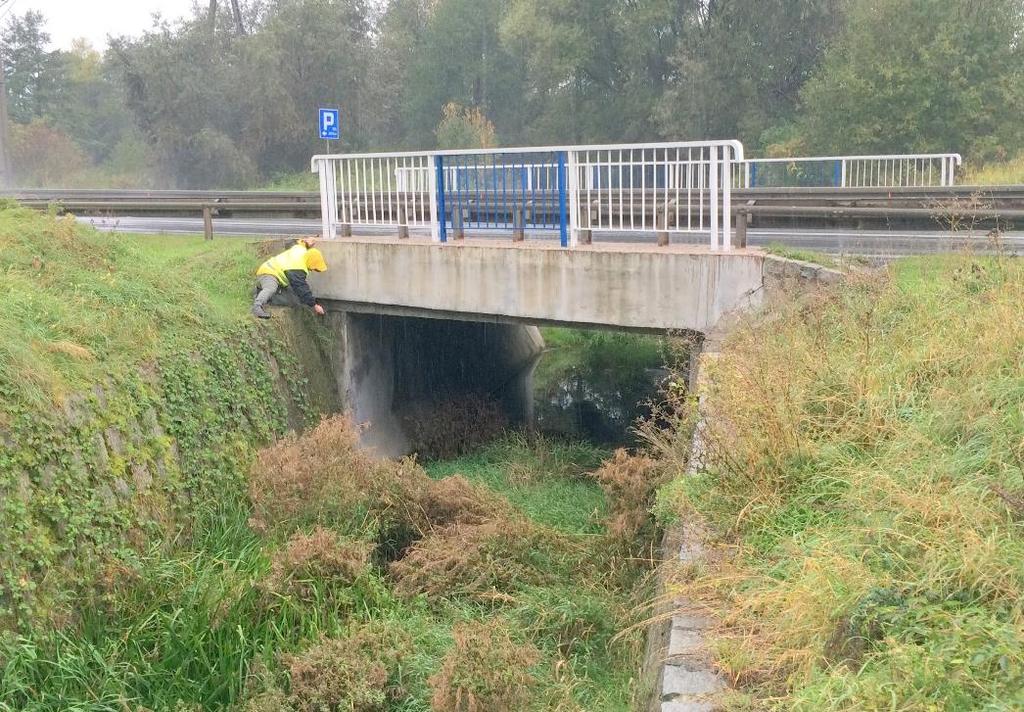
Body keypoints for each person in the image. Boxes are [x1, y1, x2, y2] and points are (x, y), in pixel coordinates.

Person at [252, 238, 328, 319]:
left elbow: (299, 243)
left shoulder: (301, 250)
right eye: (313, 268)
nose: (312, 270)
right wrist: (314, 305)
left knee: (294, 299)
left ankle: (262, 293)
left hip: (278, 276)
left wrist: (306, 242)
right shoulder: (298, 267)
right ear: (310, 262)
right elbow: (301, 287)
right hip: (269, 272)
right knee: (271, 288)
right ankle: (257, 306)